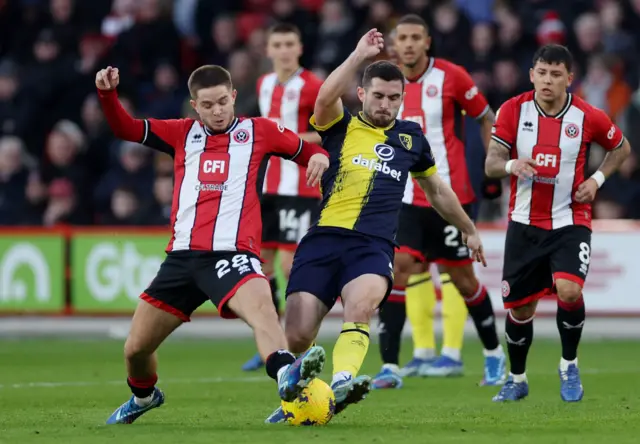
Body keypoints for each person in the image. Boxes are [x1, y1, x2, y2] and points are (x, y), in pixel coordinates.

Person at [265, 29, 487, 423]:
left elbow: (436, 189)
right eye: (378, 96)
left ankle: (342, 382)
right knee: (297, 333)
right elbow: (323, 98)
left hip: (373, 246)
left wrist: (468, 228)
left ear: (402, 98)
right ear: (363, 94)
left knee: (361, 306)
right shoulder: (339, 126)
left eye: (394, 97)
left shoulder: (411, 138)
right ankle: (295, 400)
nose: (386, 104)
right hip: (323, 239)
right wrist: (356, 55)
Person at [95, 64, 331, 424]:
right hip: (181, 260)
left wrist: (318, 157)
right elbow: (124, 128)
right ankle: (144, 398)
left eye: (223, 101)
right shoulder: (180, 134)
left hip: (232, 254)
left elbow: (307, 151)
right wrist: (108, 95)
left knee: (263, 312)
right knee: (135, 349)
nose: (218, 110)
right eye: (208, 105)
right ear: (195, 106)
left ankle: (286, 375)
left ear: (233, 97)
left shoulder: (260, 131)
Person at [486, 44, 631, 402]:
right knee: (521, 309)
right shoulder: (512, 110)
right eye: (542, 73)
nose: (547, 80)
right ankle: (517, 379)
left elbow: (622, 147)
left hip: (569, 219)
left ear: (569, 78)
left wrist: (596, 181)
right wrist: (511, 166)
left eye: (555, 74)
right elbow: (491, 163)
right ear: (532, 74)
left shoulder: (587, 115)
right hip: (523, 223)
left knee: (569, 290)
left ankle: (569, 365)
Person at [372, 14, 505, 390]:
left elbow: (486, 117)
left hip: (451, 198)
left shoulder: (453, 77)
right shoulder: (387, 81)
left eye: (416, 37)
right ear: (395, 43)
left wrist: (490, 167)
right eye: (403, 38)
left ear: (427, 41)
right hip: (405, 197)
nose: (410, 44)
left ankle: (494, 355)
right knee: (398, 270)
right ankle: (390, 367)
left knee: (462, 280)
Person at [242, 23, 324, 372]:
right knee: (261, 265)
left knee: (292, 265)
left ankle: (300, 342)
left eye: (290, 43)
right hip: (267, 187)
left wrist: (285, 138)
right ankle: (273, 341)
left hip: (301, 187)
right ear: (269, 49)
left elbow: (328, 130)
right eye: (278, 44)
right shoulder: (263, 84)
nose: (284, 50)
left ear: (299, 47)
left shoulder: (314, 86)